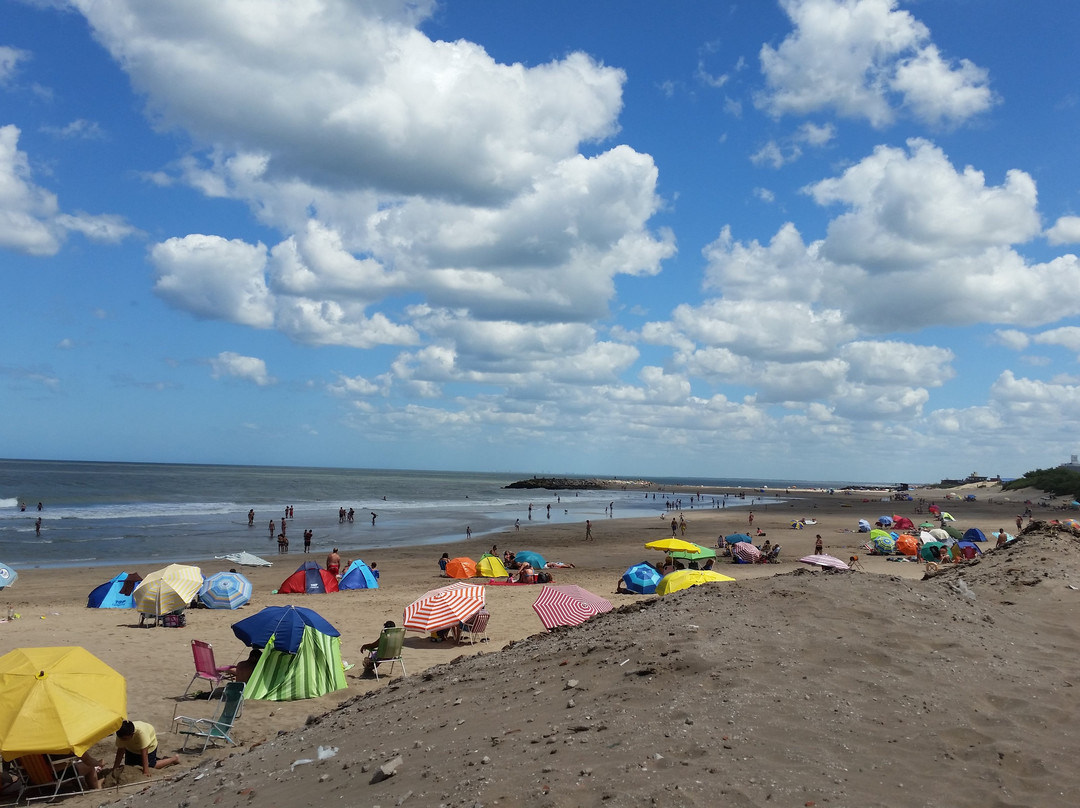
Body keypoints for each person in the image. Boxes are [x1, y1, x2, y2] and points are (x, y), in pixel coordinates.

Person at [113, 720, 178, 778]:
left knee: (151, 765)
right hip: (131, 748)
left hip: (149, 746)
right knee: (130, 766)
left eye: (124, 739)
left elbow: (144, 753)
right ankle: (157, 759)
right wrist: (115, 768)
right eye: (121, 739)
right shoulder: (121, 734)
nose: (122, 740)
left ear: (132, 734)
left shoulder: (141, 733)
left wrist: (146, 771)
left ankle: (174, 759)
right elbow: (120, 751)